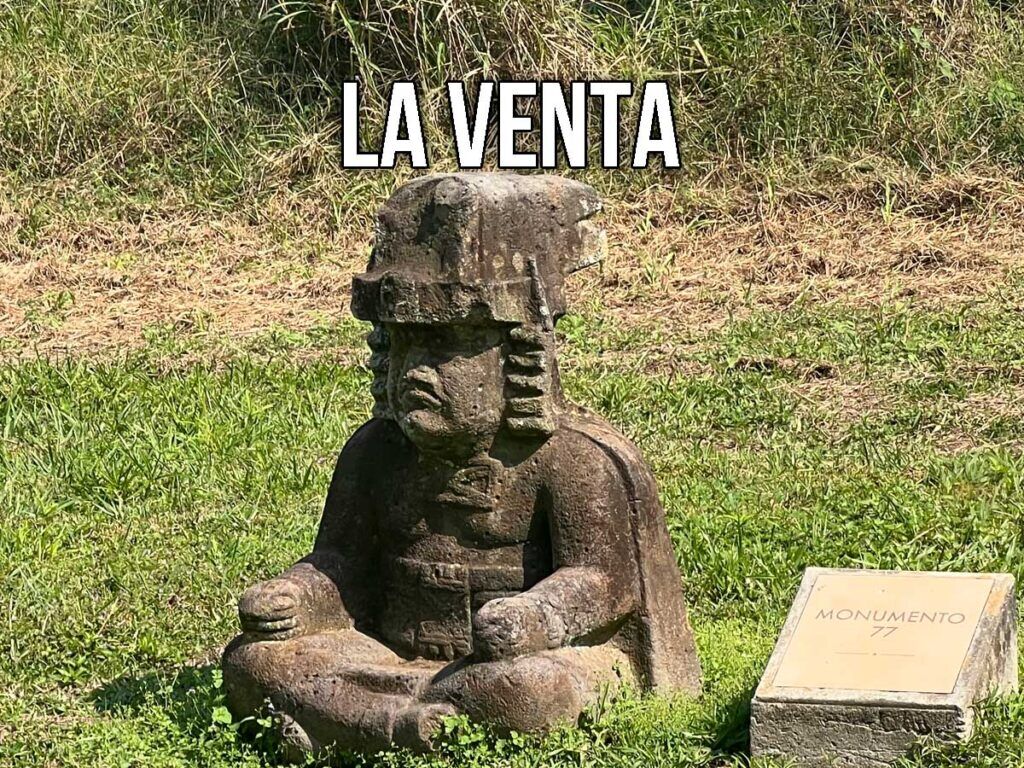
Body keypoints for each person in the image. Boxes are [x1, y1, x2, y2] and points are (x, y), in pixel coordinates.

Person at [222, 173, 702, 757]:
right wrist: (297, 593)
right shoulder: (374, 453)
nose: (416, 372)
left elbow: (604, 584)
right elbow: (344, 562)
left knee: (528, 690)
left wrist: (535, 615)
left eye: (445, 349)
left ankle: (352, 726)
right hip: (386, 654)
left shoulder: (569, 460)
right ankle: (419, 728)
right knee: (254, 659)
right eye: (402, 346)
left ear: (514, 357)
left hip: (513, 660)